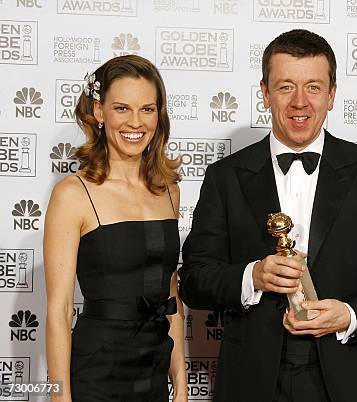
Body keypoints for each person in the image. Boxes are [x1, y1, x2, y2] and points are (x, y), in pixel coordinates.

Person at [179, 29, 357, 402]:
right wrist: (252, 276)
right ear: (265, 92)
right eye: (286, 87)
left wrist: (349, 315)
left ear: (332, 95)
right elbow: (192, 280)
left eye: (314, 87)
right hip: (252, 379)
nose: (299, 102)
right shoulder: (226, 177)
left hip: (349, 374)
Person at [44, 55, 187, 401]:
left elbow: (170, 295)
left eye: (147, 109)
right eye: (122, 108)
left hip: (153, 365)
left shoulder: (168, 188)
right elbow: (59, 310)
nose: (135, 122)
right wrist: (60, 397)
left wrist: (180, 384)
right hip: (98, 371)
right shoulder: (73, 194)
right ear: (99, 111)